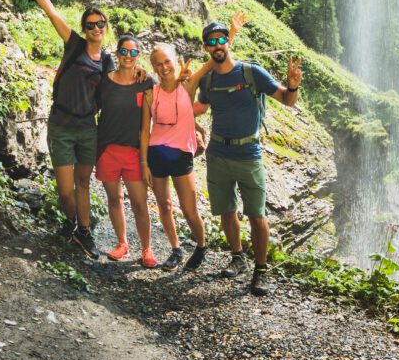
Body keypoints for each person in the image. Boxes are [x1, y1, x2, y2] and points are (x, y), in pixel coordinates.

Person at [19, 0, 145, 259]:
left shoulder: (107, 62)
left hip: (88, 127)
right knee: (65, 190)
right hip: (62, 124)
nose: (96, 28)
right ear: (84, 29)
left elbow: (121, 83)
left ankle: (83, 232)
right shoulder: (73, 43)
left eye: (100, 24)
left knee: (84, 182)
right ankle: (74, 222)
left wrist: (143, 75)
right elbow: (51, 12)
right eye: (91, 25)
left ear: (106, 27)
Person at [195, 20, 303, 296]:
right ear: (206, 47)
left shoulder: (251, 72)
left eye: (222, 40)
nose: (218, 46)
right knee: (227, 210)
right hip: (218, 153)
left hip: (249, 154)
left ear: (228, 42)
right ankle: (237, 257)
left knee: (256, 215)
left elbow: (286, 100)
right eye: (212, 42)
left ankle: (261, 270)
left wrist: (292, 86)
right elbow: (197, 107)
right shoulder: (208, 80)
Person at [140, 43, 211, 272]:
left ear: (175, 60)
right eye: (158, 64)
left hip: (181, 155)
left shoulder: (187, 86)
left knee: (190, 210)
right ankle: (176, 249)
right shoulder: (150, 95)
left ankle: (201, 246)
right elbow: (144, 131)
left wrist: (229, 34)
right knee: (164, 206)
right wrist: (144, 163)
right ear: (154, 68)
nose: (164, 67)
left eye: (167, 61)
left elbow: (212, 60)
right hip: (156, 155)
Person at [95, 34, 156, 267]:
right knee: (114, 198)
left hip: (134, 152)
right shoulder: (105, 82)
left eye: (133, 53)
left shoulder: (146, 82)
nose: (128, 56)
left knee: (140, 203)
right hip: (107, 149)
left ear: (138, 56)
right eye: (125, 51)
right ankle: (122, 243)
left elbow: (167, 93)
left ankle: (146, 248)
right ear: (118, 53)